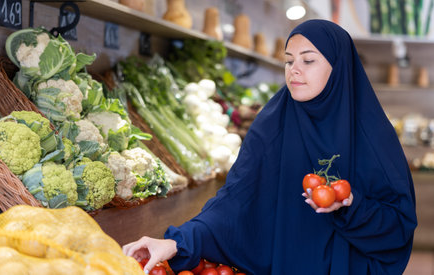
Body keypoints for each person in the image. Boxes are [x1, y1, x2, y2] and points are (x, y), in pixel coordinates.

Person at [123, 19, 417, 274]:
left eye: (308, 60)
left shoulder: (373, 136)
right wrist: (177, 242)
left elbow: (398, 224)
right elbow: (234, 200)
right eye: (289, 60)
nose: (294, 70)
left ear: (337, 65)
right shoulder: (272, 124)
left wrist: (352, 206)